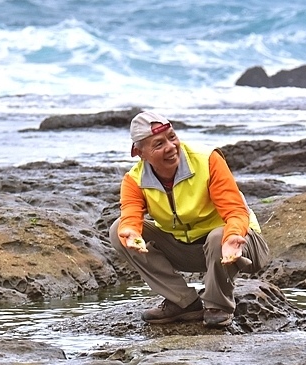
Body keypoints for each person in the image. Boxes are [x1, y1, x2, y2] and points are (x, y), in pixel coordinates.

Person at [109, 111, 270, 328]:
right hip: (188, 249)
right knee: (118, 230)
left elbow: (235, 211)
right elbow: (131, 213)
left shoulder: (207, 160)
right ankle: (182, 302)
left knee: (218, 235)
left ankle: (217, 305)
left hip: (238, 245)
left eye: (172, 137)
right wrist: (131, 232)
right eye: (158, 144)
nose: (170, 147)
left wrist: (233, 236)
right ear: (139, 152)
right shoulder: (134, 179)